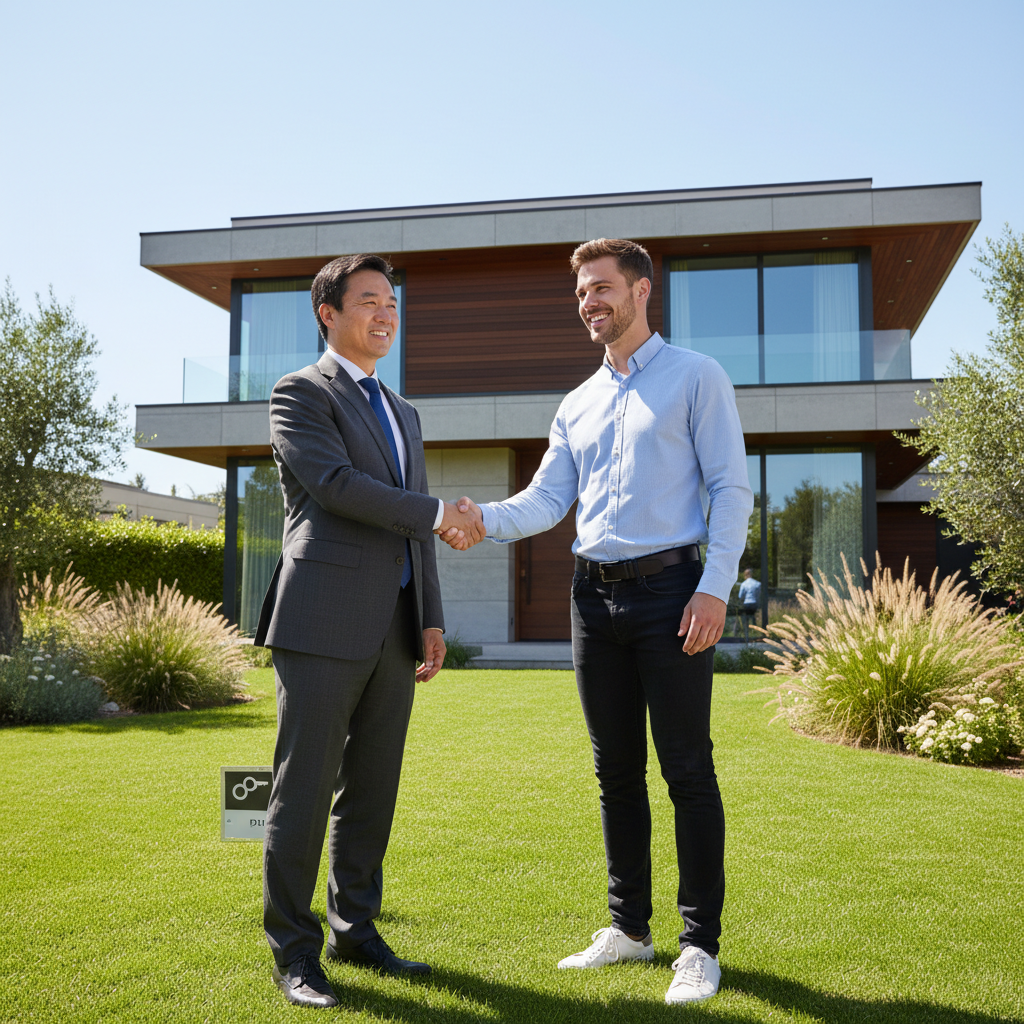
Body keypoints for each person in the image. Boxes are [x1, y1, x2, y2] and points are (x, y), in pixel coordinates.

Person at [438, 239, 752, 1005]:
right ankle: (629, 930)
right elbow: (547, 501)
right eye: (582, 291)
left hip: (672, 595)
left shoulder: (696, 376)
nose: (590, 302)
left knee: (687, 769)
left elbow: (731, 489)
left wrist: (714, 588)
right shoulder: (576, 402)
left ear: (642, 290)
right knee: (615, 773)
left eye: (602, 287)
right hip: (592, 599)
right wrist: (480, 517)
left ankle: (699, 946)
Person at [254, 253, 484, 1009]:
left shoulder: (403, 410)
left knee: (373, 790)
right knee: (303, 790)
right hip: (321, 619)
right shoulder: (300, 392)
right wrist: (441, 514)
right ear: (328, 313)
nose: (386, 314)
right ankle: (294, 952)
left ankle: (354, 930)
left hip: (395, 626)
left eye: (392, 302)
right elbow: (337, 487)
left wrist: (431, 617)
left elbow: (412, 522)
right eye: (369, 301)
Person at [737, 568, 761, 641]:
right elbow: (758, 595)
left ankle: (746, 636)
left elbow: (740, 596)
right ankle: (755, 634)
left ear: (745, 575)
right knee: (753, 619)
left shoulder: (744, 584)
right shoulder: (757, 584)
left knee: (745, 620)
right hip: (754, 604)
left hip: (746, 604)